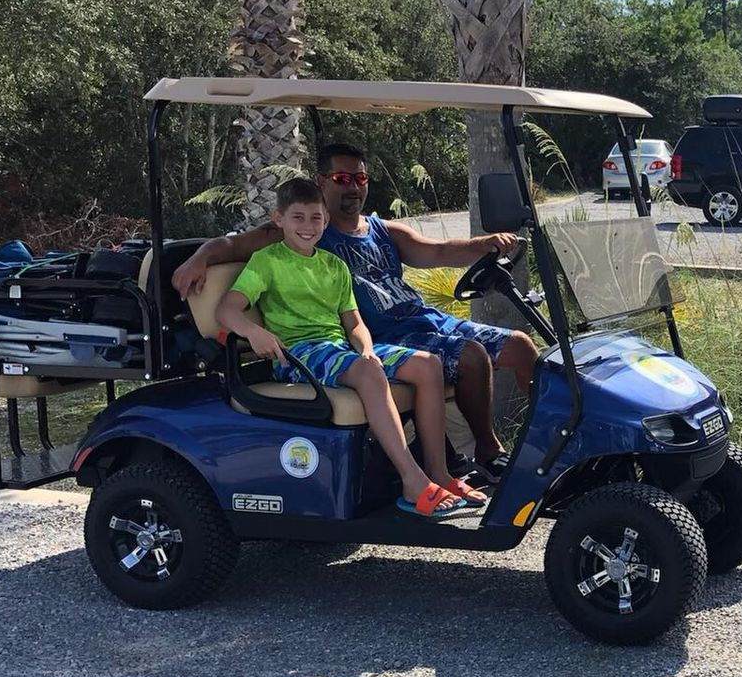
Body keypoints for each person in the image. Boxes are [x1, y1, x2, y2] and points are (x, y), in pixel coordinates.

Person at [174, 141, 537, 481]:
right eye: (341, 179)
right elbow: (232, 245)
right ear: (321, 182)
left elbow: (439, 251)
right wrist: (200, 258)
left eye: (360, 178)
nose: (353, 187)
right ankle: (489, 452)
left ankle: (543, 454)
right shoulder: (308, 232)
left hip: (425, 320)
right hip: (387, 336)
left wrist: (484, 245)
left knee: (522, 346)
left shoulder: (383, 231)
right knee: (472, 357)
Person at [217, 178, 472, 518]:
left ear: (325, 219)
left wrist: (366, 349)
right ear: (279, 219)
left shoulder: (333, 265)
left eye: (315, 218)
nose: (308, 227)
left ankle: (439, 474)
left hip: (337, 349)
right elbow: (226, 309)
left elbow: (354, 324)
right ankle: (412, 482)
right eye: (298, 217)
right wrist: (254, 332)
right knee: (368, 372)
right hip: (297, 353)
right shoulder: (267, 261)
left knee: (428, 365)